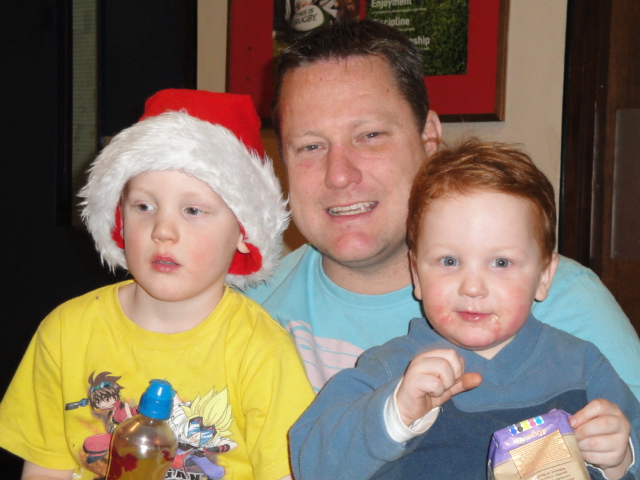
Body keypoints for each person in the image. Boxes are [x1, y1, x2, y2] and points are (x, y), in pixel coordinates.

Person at [245, 19, 640, 397]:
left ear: (429, 138)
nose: (339, 175)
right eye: (310, 146)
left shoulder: (561, 305)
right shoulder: (244, 310)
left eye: (370, 135)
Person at [0, 89, 314, 480]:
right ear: (119, 218)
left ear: (243, 231)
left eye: (193, 210)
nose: (163, 230)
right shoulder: (65, 334)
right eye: (144, 206)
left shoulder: (263, 352)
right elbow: (45, 470)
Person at [289, 139, 640, 480]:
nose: (472, 287)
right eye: (449, 261)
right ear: (416, 274)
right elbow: (310, 463)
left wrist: (620, 459)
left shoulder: (582, 368)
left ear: (544, 276)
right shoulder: (390, 370)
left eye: (501, 262)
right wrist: (397, 412)